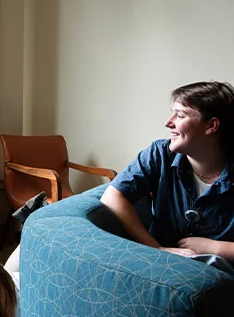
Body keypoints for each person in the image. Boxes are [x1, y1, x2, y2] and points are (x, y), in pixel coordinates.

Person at [100, 81, 234, 261]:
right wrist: (156, 248)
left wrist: (215, 248)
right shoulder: (160, 154)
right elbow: (112, 196)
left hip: (221, 273)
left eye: (180, 115)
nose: (168, 123)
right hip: (161, 266)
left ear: (211, 126)